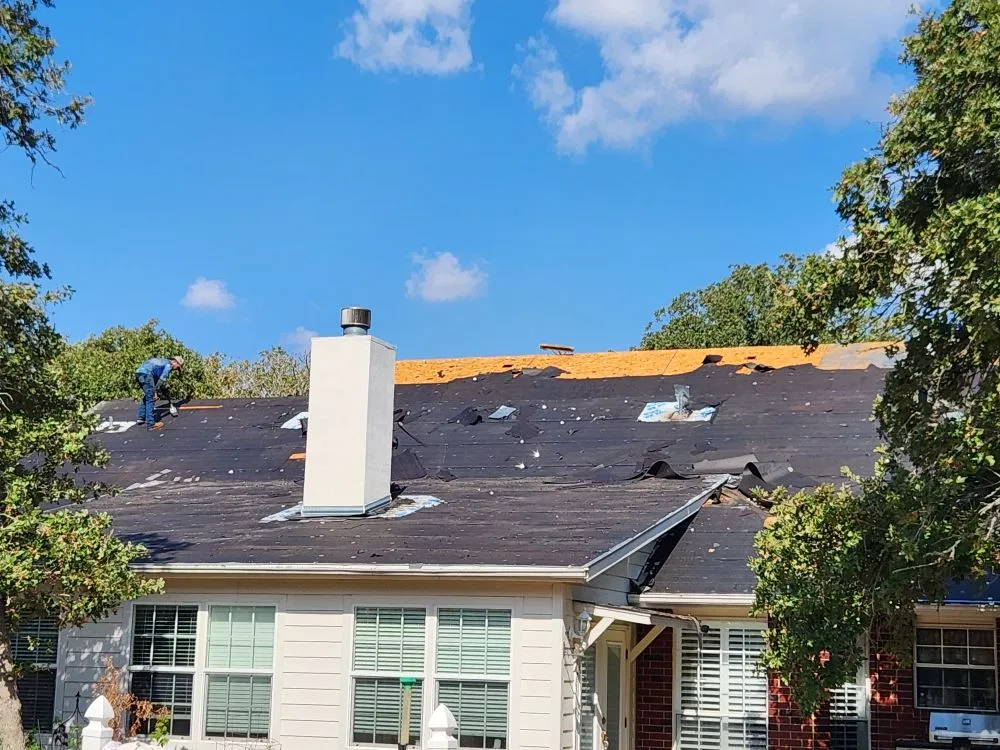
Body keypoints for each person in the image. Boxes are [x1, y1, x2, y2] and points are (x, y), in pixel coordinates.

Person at [134, 356, 184, 429]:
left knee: (148, 395)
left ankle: (141, 418)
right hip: (147, 374)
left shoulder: (162, 361)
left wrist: (156, 389)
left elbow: (156, 378)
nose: (175, 370)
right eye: (177, 367)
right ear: (175, 362)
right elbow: (161, 379)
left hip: (139, 373)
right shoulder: (168, 365)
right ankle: (151, 424)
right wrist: (155, 392)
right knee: (151, 398)